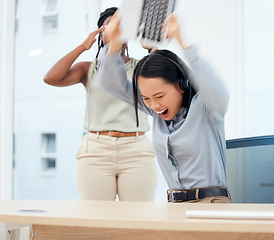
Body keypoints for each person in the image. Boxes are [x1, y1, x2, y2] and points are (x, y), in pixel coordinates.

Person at [98, 12, 231, 203]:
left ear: (181, 85)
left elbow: (217, 89)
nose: (154, 105)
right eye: (146, 98)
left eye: (159, 96)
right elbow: (110, 84)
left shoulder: (207, 109)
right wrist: (115, 43)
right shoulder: (157, 112)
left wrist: (181, 41)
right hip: (175, 207)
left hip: (211, 205)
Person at [43, 7, 157, 201]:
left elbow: (162, 78)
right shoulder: (89, 68)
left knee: (138, 219)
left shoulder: (141, 67)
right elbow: (51, 78)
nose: (115, 30)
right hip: (96, 150)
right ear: (100, 34)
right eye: (110, 26)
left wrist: (150, 46)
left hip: (136, 149)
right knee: (95, 218)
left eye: (121, 26)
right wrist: (82, 47)